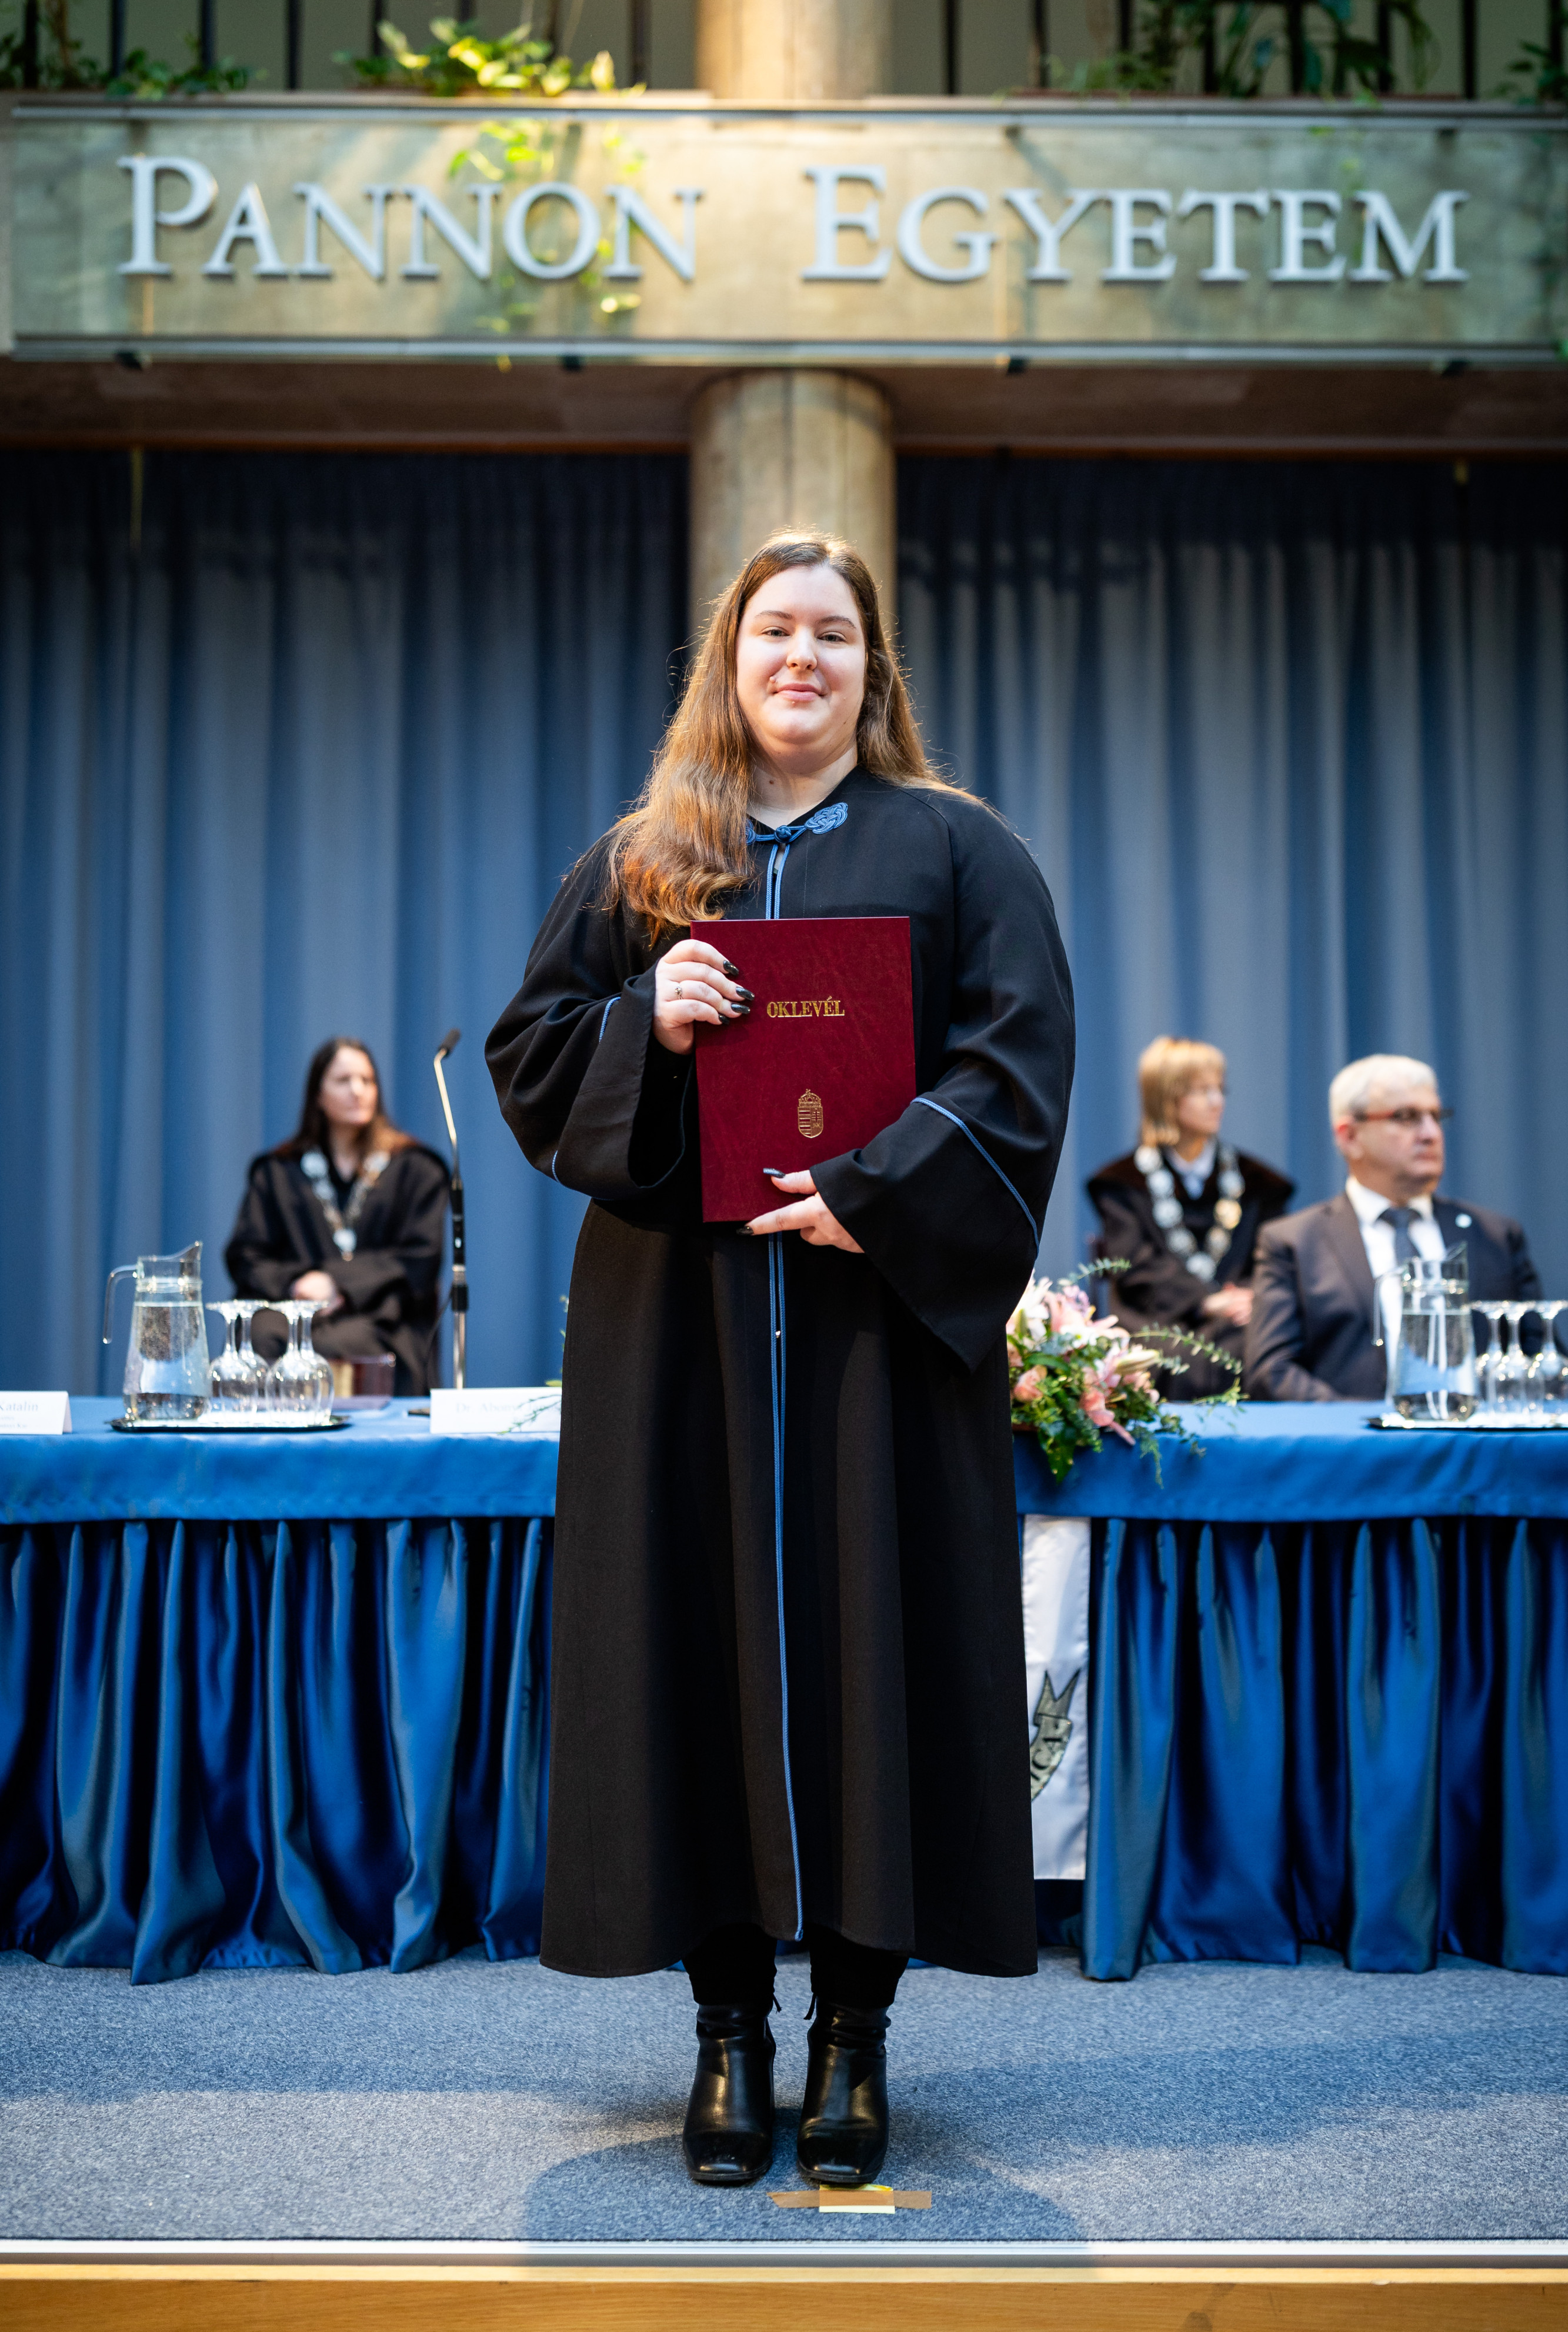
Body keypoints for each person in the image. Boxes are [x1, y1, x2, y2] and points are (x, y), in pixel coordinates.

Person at [486, 529, 1074, 2191]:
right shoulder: (643, 860)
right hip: (677, 1330)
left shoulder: (958, 848)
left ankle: (853, 2038)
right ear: (728, 660)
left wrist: (874, 1195)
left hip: (870, 1332)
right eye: (771, 631)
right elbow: (534, 1059)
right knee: (691, 1654)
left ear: (871, 668)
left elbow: (1018, 1065)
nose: (800, 656)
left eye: (831, 632)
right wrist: (644, 1021)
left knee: (876, 1654)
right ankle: (727, 2032)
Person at [1245, 1053, 1539, 1402]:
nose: (1431, 1134)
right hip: (1352, 1434)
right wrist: (1365, 1426)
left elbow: (1538, 1357)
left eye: (1436, 1117)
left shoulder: (1496, 1236)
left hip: (1478, 1433)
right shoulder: (1293, 1243)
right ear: (1350, 1136)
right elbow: (1272, 1371)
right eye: (1406, 1117)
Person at [225, 1038, 451, 1394]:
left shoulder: (416, 1169)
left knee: (332, 1346)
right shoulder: (278, 1171)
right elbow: (246, 1256)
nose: (358, 1090)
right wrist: (297, 1285)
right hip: (294, 1316)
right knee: (263, 1336)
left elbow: (420, 1258)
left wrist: (338, 1283)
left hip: (381, 1319)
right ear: (318, 1094)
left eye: (367, 1080)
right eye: (344, 1081)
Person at [1087, 1037, 1292, 1400]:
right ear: (1166, 1098)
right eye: (1201, 1091)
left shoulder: (1259, 1184)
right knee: (1167, 1357)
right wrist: (1205, 1301)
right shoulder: (1122, 1185)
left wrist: (1248, 1296)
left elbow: (1268, 1259)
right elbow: (1135, 1267)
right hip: (1157, 1320)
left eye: (1220, 1089)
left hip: (1239, 1324)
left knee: (1259, 1349)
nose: (1217, 1102)